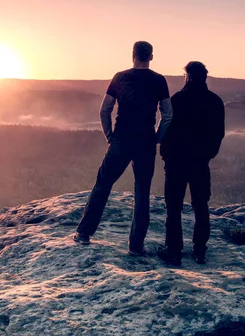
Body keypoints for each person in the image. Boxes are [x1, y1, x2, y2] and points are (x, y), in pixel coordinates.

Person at [73, 41, 173, 255]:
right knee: (142, 191)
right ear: (151, 57)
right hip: (145, 141)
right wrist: (157, 137)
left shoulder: (120, 77)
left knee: (103, 184)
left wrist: (110, 135)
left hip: (121, 140)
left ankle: (84, 233)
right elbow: (168, 114)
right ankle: (136, 246)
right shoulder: (158, 80)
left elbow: (105, 110)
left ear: (133, 55)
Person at [157, 61, 225, 266]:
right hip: (200, 162)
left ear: (187, 76)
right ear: (205, 76)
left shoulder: (177, 100)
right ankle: (199, 250)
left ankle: (174, 251)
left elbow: (166, 128)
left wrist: (165, 154)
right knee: (201, 205)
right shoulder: (215, 101)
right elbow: (218, 135)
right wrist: (207, 156)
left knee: (174, 206)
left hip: (176, 161)